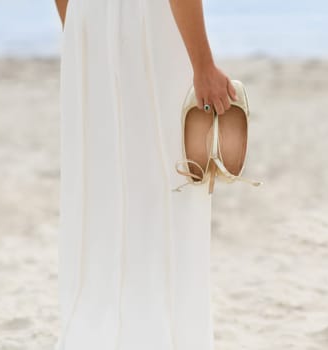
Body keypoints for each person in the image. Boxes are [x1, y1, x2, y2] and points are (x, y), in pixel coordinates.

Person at [53, 0, 237, 349]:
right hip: (145, 25)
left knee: (98, 185)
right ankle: (165, 336)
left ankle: (95, 333)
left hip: (87, 26)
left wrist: (81, 35)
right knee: (171, 184)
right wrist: (203, 65)